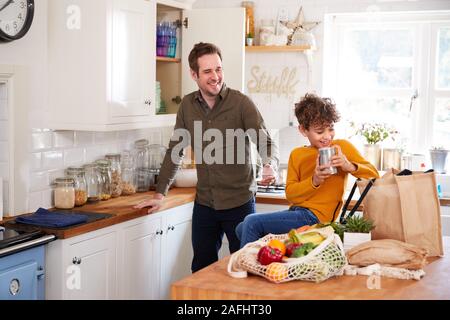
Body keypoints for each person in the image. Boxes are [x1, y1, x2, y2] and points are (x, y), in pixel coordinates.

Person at [134, 42, 279, 272]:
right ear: (194, 74)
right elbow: (175, 151)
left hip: (239, 203)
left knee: (245, 268)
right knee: (201, 268)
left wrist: (269, 165)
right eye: (208, 71)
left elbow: (265, 142)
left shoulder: (241, 104)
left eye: (218, 69)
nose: (215, 76)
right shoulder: (187, 107)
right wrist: (160, 193)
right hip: (205, 205)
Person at [236, 93, 380, 247]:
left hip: (318, 219)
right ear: (303, 130)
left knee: (251, 222)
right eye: (319, 132)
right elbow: (291, 195)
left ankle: (249, 266)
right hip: (297, 213)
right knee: (241, 227)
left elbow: (374, 175)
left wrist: (348, 166)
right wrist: (315, 181)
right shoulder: (297, 154)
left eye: (330, 129)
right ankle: (269, 260)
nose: (327, 136)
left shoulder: (341, 147)